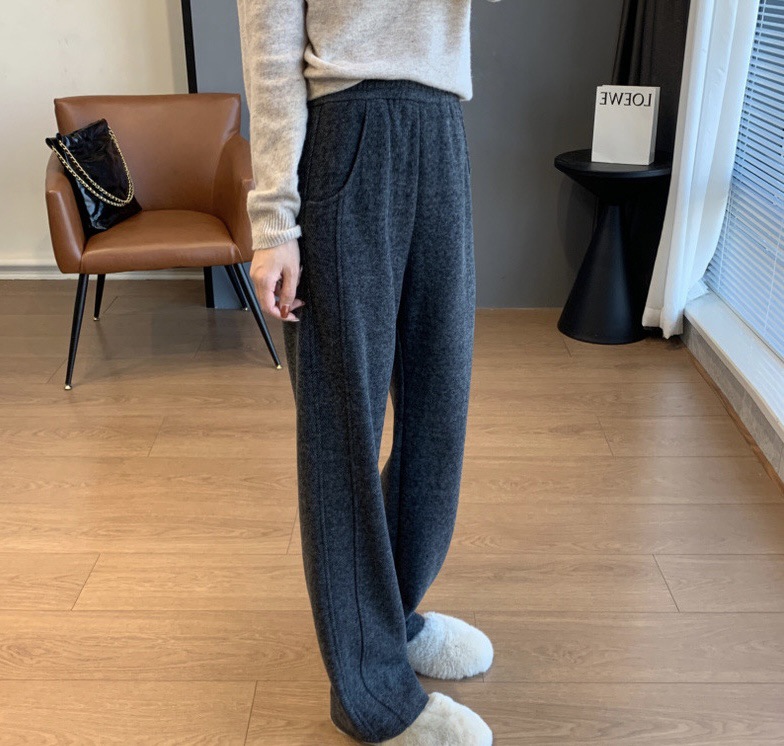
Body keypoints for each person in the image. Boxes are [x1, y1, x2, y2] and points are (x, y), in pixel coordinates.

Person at [236, 1, 502, 743]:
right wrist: (274, 221)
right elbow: (269, 42)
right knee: (342, 430)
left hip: (441, 126)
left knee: (439, 411)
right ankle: (370, 694)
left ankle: (390, 616)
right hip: (345, 132)